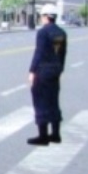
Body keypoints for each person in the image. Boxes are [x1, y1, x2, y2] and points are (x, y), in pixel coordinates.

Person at [26, 10, 67, 146]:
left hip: (42, 71)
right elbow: (62, 55)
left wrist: (32, 71)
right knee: (53, 102)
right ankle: (55, 134)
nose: (40, 19)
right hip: (55, 71)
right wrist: (59, 70)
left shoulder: (43, 32)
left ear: (46, 17)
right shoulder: (61, 32)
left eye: (41, 16)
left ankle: (43, 136)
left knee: (40, 102)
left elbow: (39, 53)